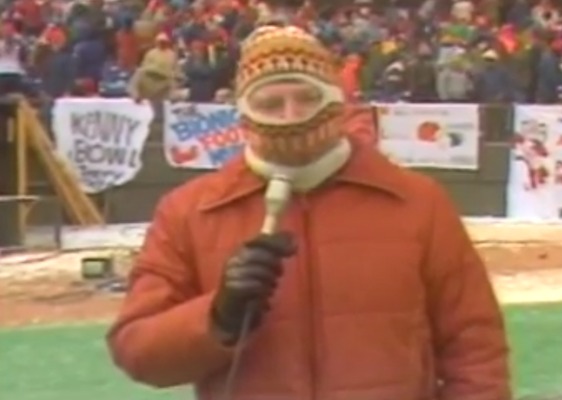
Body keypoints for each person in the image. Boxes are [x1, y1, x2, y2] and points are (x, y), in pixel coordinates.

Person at [107, 25, 511, 400]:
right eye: (270, 103)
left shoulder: (418, 203)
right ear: (245, 114)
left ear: (335, 101)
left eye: (307, 97)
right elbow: (138, 350)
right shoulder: (189, 212)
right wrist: (217, 316)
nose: (291, 116)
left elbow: (474, 346)